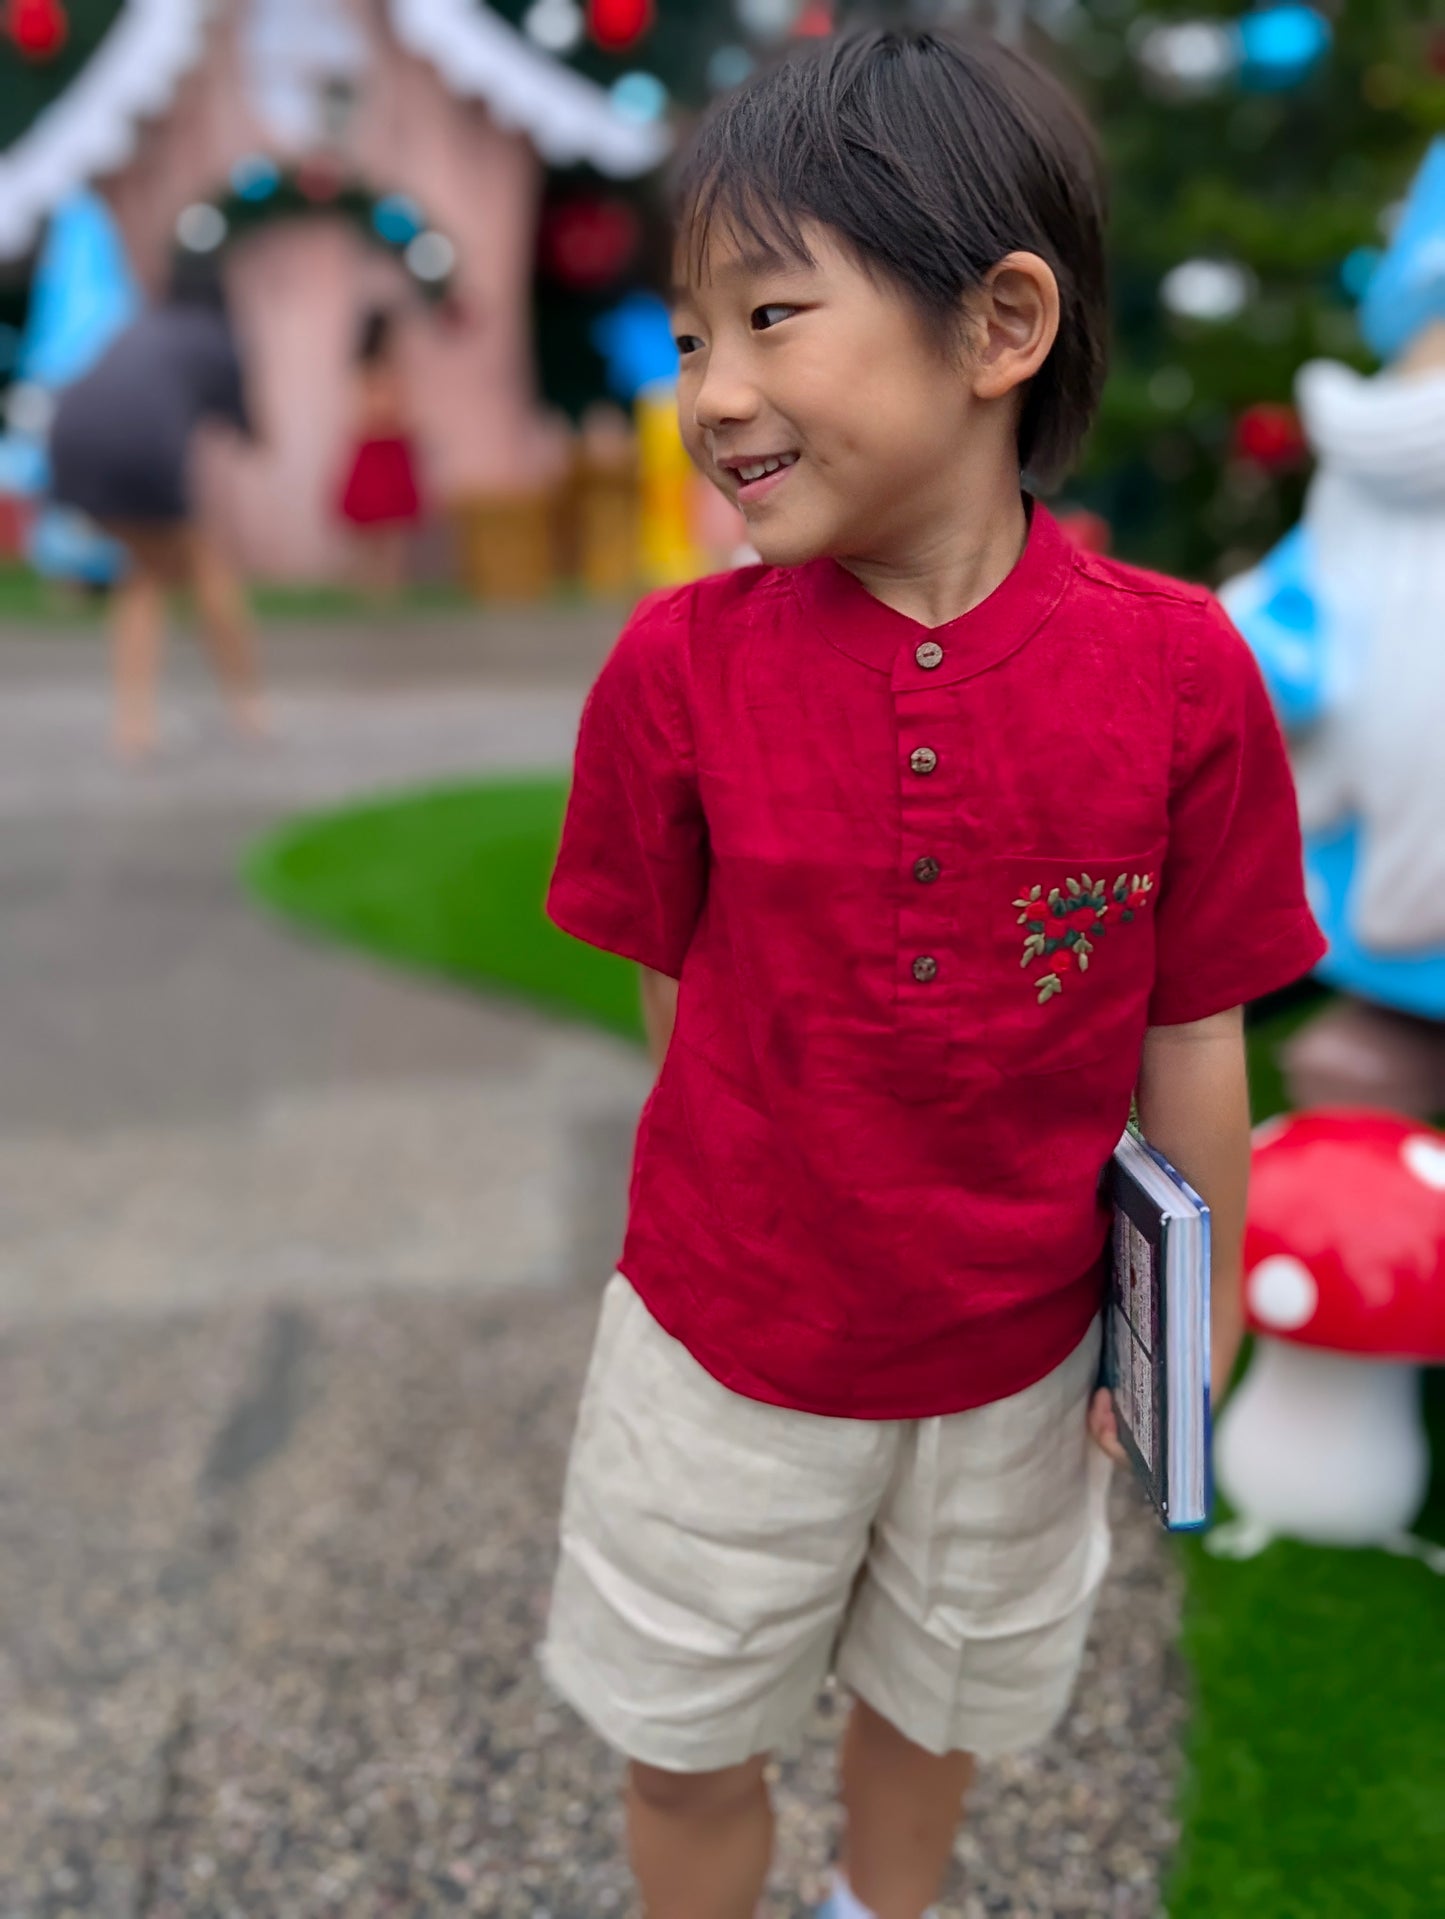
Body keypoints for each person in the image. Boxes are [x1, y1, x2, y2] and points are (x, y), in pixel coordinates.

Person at [542, 27, 1325, 1919]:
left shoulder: (1180, 676)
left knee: (938, 1701)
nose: (712, 393)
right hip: (726, 1353)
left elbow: (1194, 1029)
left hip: (1019, 1377)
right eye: (689, 339)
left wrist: (1193, 1335)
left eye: (769, 317)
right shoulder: (675, 673)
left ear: (1000, 325)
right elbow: (678, 998)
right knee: (684, 1732)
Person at [48, 256, 266, 762]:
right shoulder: (217, 338)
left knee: (148, 570)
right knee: (199, 567)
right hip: (141, 451)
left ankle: (138, 722)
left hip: (69, 440)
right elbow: (249, 429)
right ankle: (243, 707)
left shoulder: (141, 326)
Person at [334, 305, 422, 601]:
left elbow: (398, 407)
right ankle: (368, 582)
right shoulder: (367, 370)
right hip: (375, 449)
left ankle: (389, 583)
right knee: (370, 523)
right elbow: (368, 410)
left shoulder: (391, 368)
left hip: (390, 447)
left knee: (393, 524)